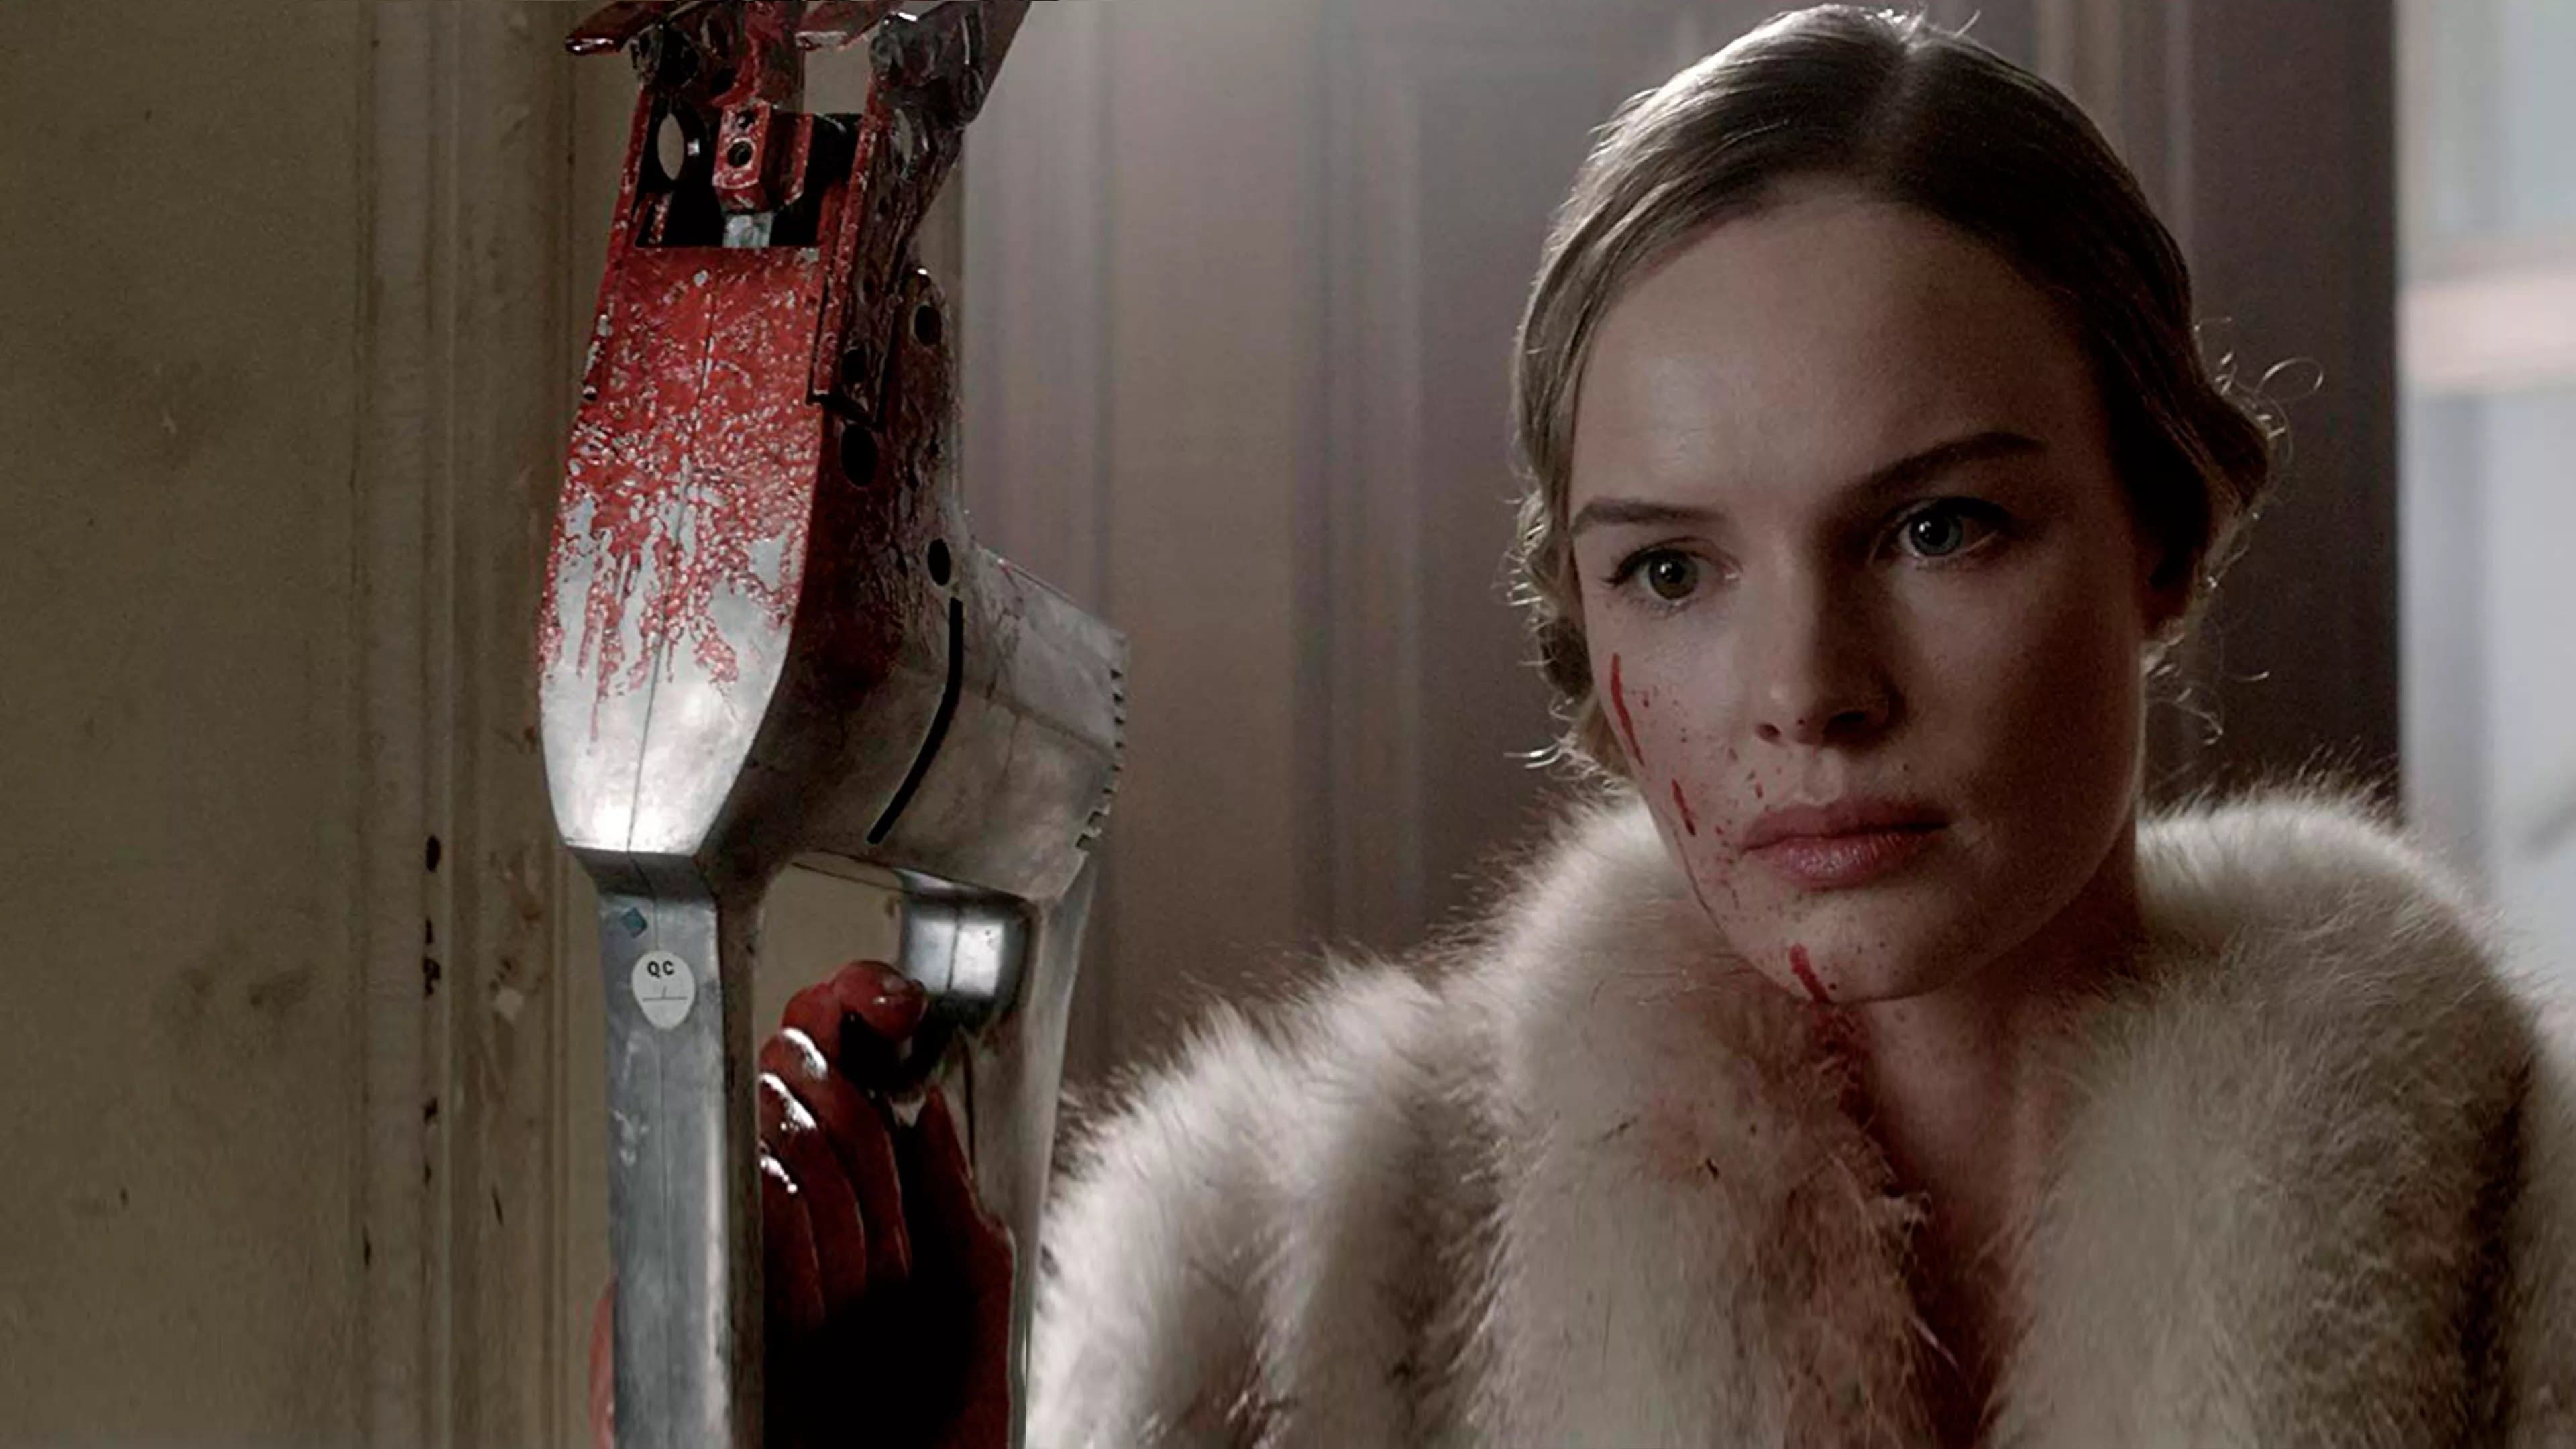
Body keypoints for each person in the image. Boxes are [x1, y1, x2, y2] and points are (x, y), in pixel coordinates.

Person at [603, 7, 2576, 1445]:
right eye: (1673, 570)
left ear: (2161, 531)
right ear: (1584, 630)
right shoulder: (1288, 1299)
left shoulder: (2523, 1238)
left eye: (1938, 526)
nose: (1808, 690)